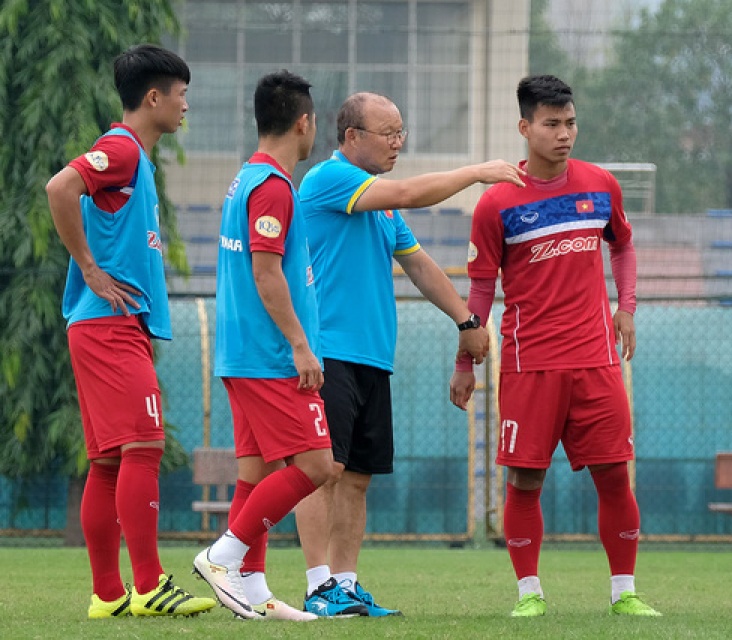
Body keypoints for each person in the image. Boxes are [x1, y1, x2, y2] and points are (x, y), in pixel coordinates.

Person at [294, 91, 525, 617]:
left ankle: (346, 585)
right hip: (328, 351)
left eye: (402, 132)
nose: (399, 142)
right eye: (389, 133)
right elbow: (413, 192)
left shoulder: (381, 206)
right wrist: (476, 172)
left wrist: (466, 320)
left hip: (373, 356)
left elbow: (419, 265)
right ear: (352, 138)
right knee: (322, 469)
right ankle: (316, 585)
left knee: (357, 475)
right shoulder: (329, 180)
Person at [448, 74, 661, 618]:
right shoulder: (496, 203)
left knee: (615, 472)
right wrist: (465, 361)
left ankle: (625, 593)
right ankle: (530, 595)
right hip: (529, 363)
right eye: (551, 124)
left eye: (570, 123)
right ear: (525, 128)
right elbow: (479, 289)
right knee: (525, 478)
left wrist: (626, 307)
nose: (564, 134)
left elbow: (625, 247)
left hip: (596, 360)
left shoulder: (600, 185)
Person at [45, 44, 215, 619]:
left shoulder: (135, 158)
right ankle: (149, 586)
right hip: (108, 325)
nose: (186, 105)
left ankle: (108, 596)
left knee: (109, 462)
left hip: (102, 327)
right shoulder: (120, 148)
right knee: (143, 446)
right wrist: (91, 269)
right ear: (153, 97)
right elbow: (58, 188)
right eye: (181, 94)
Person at [191, 70, 338, 621]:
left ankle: (252, 590)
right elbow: (266, 271)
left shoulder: (245, 179)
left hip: (241, 352)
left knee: (253, 474)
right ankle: (222, 556)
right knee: (319, 466)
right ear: (304, 123)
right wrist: (301, 346)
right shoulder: (274, 186)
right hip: (270, 356)